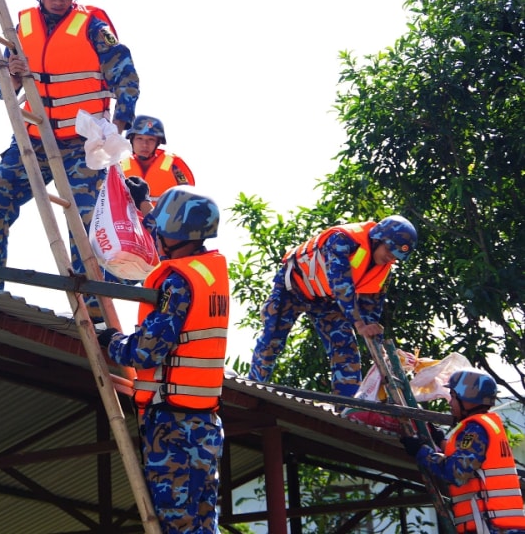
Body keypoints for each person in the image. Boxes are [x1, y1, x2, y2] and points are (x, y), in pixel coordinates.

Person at [0, 0, 140, 322]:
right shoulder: (19, 27)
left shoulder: (92, 25)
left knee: (81, 225)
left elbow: (126, 78)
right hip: (33, 138)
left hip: (82, 145)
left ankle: (94, 313)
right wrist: (13, 76)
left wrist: (120, 123)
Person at [98, 185, 229, 533]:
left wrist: (112, 342)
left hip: (174, 428)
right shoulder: (208, 273)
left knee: (178, 526)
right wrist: (142, 206)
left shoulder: (178, 281)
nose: (156, 235)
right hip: (205, 427)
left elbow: (145, 351)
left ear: (175, 231)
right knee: (202, 525)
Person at [248, 215, 418, 397]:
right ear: (378, 239)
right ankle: (253, 387)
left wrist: (379, 349)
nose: (390, 258)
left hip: (326, 301)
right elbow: (340, 285)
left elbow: (370, 313)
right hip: (293, 287)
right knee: (272, 338)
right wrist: (360, 325)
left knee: (345, 349)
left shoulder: (383, 271)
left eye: (395, 257)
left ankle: (348, 405)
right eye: (389, 251)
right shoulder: (342, 239)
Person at [400, 370, 525, 534]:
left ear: (468, 400)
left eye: (453, 396)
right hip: (495, 525)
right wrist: (440, 441)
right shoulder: (486, 426)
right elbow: (471, 462)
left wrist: (421, 451)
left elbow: (456, 472)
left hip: (489, 526)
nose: (450, 402)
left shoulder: (476, 429)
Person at [120, 115, 195, 204]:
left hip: (165, 217)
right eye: (139, 138)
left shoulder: (174, 165)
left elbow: (190, 199)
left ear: (158, 143)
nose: (145, 144)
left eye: (151, 139)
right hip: (130, 218)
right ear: (131, 140)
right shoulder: (119, 167)